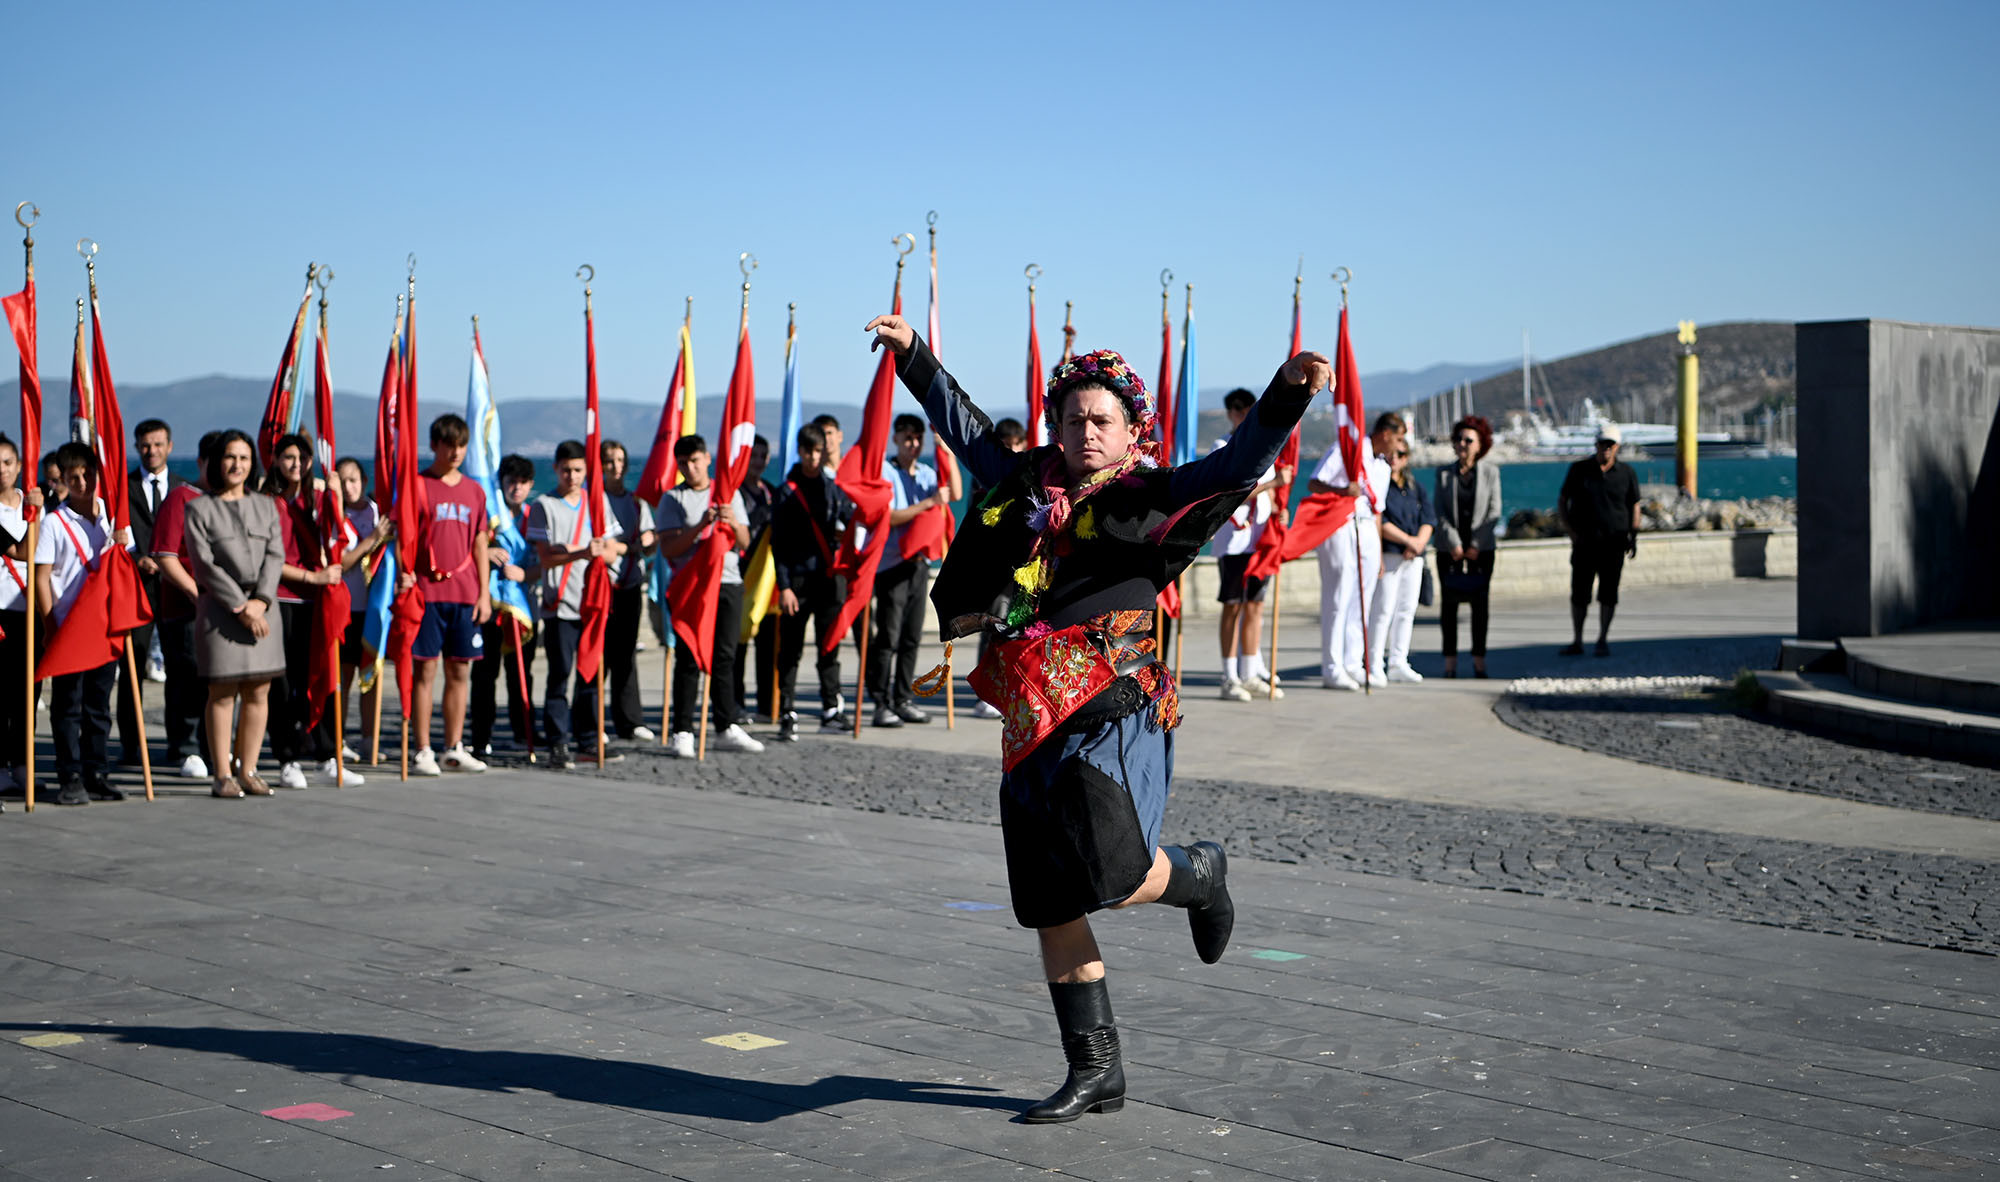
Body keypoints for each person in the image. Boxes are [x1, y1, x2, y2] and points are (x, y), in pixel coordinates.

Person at [868, 310, 1328, 1124]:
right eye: (1074, 418)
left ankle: (1198, 874)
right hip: (1028, 713)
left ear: (1131, 430)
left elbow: (1240, 462)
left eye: (1101, 420)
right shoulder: (1023, 483)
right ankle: (1095, 1071)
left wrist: (1286, 394)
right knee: (1049, 895)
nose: (1086, 431)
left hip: (1114, 704)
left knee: (1113, 874)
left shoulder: (1154, 496)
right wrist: (913, 356)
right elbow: (963, 426)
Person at [184, 430, 285, 798]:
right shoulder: (199, 509)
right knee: (222, 692)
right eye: (230, 457)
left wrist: (261, 601)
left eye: (244, 458)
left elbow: (275, 555)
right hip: (221, 611)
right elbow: (203, 564)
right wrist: (241, 607)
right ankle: (222, 774)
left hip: (264, 609)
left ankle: (249, 770)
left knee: (259, 690)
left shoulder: (266, 506)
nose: (236, 464)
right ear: (217, 461)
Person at [32, 443, 134, 806]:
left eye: (88, 475)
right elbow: (42, 577)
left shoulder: (111, 516)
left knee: (98, 705)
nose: (81, 483)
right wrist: (50, 625)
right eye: (72, 477)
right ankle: (70, 774)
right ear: (61, 478)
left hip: (104, 623)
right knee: (68, 705)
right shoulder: (54, 522)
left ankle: (97, 772)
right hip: (69, 625)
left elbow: (124, 568)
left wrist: (122, 541)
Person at [398, 414, 494, 775]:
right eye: (449, 445)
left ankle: (453, 746)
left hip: (465, 592)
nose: (456, 452)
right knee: (425, 670)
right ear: (434, 445)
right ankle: (422, 748)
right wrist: (404, 574)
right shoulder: (418, 485)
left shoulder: (474, 491)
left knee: (460, 670)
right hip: (426, 592)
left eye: (462, 445)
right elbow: (403, 538)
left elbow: (480, 544)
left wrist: (484, 594)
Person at [655, 435, 762, 757]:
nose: (690, 468)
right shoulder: (673, 499)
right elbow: (669, 548)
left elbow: (744, 541)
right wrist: (701, 526)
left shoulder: (727, 494)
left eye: (695, 461)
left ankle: (726, 725)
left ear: (707, 459)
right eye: (683, 463)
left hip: (727, 581)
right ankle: (683, 729)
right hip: (692, 585)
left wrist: (732, 521)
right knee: (689, 657)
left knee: (725, 656)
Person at [524, 439, 624, 769]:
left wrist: (585, 551)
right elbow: (545, 557)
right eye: (566, 470)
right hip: (560, 604)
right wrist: (579, 552)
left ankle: (588, 738)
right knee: (560, 674)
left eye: (578, 470)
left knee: (591, 674)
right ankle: (557, 740)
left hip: (592, 604)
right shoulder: (544, 505)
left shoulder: (597, 502)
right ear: (556, 469)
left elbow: (612, 550)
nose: (572, 476)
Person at [264, 433, 348, 788]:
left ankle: (328, 755)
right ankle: (287, 758)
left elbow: (340, 538)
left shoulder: (319, 498)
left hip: (318, 602)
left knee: (322, 675)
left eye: (302, 457)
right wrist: (311, 577)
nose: (296, 464)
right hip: (281, 599)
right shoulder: (268, 502)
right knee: (282, 684)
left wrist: (337, 496)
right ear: (276, 460)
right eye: (288, 457)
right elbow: (268, 559)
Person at [770, 424, 854, 740]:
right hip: (797, 582)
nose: (814, 458)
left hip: (828, 580)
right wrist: (784, 587)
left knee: (828, 647)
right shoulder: (786, 492)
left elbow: (851, 521)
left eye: (818, 451)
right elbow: (778, 544)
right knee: (790, 650)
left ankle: (830, 709)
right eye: (808, 451)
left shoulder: (832, 488)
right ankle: (787, 711)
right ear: (800, 451)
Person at [869, 413, 951, 728]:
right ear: (896, 439)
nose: (912, 444)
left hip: (919, 564)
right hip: (891, 564)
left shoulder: (927, 473)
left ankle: (903, 698)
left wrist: (944, 449)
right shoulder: (886, 471)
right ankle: (880, 701)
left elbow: (954, 493)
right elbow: (889, 517)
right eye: (907, 438)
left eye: (917, 439)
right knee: (888, 637)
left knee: (911, 637)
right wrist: (928, 503)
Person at [1211, 388, 1290, 701]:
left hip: (1260, 541)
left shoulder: (1263, 449)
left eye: (1249, 409)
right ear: (1231, 413)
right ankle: (1229, 675)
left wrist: (1280, 508)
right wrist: (1273, 483)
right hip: (1234, 541)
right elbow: (1231, 492)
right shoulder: (1222, 447)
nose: (1244, 415)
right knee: (1232, 606)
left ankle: (1249, 670)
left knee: (1255, 605)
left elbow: (1271, 494)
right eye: (1239, 409)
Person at [151, 430, 221, 777]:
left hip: (225, 609)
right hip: (185, 608)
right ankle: (186, 747)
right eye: (218, 460)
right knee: (187, 678)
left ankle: (215, 746)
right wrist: (198, 594)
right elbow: (165, 556)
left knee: (220, 679)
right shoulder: (181, 497)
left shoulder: (232, 501)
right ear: (201, 462)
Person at [1309, 416, 1393, 691]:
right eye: (1398, 438)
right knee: (1338, 596)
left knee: (1362, 599)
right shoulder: (1347, 451)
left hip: (1367, 528)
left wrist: (1379, 552)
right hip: (1340, 524)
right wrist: (1343, 490)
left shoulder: (1383, 467)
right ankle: (1332, 667)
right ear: (1385, 433)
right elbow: (1315, 482)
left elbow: (1377, 511)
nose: (1399, 445)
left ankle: (1353, 662)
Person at [117, 417, 183, 768]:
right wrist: (137, 559)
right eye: (145, 445)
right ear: (136, 447)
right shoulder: (122, 488)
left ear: (169, 446)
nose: (152, 451)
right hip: (136, 589)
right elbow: (115, 534)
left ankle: (180, 745)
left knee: (180, 668)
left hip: (174, 590)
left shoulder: (182, 488)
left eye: (158, 444)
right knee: (133, 668)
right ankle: (131, 746)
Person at [469, 453, 540, 758]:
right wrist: (485, 554)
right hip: (491, 605)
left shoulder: (534, 518)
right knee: (485, 674)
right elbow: (467, 548)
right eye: (512, 482)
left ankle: (523, 731)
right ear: (502, 484)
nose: (517, 488)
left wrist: (525, 574)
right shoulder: (490, 518)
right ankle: (480, 737)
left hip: (523, 608)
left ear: (530, 485)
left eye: (523, 482)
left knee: (521, 672)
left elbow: (545, 562)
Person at [1558, 421, 1641, 657]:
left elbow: (1634, 505)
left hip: (1614, 544)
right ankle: (1577, 640)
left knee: (1609, 594)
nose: (1605, 448)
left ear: (1617, 447)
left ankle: (1602, 638)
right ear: (1595, 445)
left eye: (1610, 445)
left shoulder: (1627, 473)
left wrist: (1634, 536)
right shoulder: (1579, 470)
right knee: (1579, 594)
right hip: (1584, 543)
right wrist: (1571, 531)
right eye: (1602, 444)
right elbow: (1563, 500)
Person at [332, 456, 393, 759]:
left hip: (375, 608)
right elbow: (341, 562)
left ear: (364, 481)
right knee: (343, 677)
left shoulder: (378, 512)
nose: (348, 487)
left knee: (372, 675)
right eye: (342, 481)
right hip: (346, 607)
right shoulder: (335, 515)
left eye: (353, 480)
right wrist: (371, 540)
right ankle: (339, 739)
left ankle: (370, 738)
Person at [969, 419, 1031, 720]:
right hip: (996, 565)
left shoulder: (1032, 473)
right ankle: (987, 691)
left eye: (1018, 443)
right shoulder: (988, 475)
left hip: (1026, 567)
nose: (1014, 449)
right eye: (1008, 444)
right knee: (993, 626)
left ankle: (1014, 686)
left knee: (1021, 628)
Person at [1367, 427, 1435, 683]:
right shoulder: (1380, 483)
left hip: (1413, 557)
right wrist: (1408, 540)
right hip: (1391, 553)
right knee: (1383, 609)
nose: (1395, 459)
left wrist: (1418, 543)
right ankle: (1374, 662)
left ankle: (1398, 661)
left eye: (1401, 454)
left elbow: (1428, 517)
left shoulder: (1415, 487)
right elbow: (1379, 519)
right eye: (1392, 454)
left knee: (1406, 609)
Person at [1435, 415, 1501, 678]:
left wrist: (1475, 544)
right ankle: (1450, 662)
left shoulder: (1491, 473)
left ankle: (1479, 660)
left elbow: (1494, 511)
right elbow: (1439, 512)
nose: (1462, 444)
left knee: (1480, 606)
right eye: (1459, 439)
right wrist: (1454, 543)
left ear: (1480, 444)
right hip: (1448, 550)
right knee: (1449, 607)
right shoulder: (1443, 474)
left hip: (1481, 550)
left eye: (1468, 440)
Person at [600, 440, 657, 742]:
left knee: (626, 653)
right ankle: (592, 720)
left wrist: (642, 543)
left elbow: (647, 544)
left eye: (620, 461)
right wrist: (627, 547)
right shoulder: (595, 501)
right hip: (602, 587)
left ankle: (630, 720)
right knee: (600, 654)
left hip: (630, 585)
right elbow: (603, 547)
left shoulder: (637, 504)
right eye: (610, 461)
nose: (616, 467)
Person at [0, 435, 42, 799]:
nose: (2, 470)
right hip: (1, 613)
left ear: (19, 466)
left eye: (8, 462)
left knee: (29, 692)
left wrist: (38, 509)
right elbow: (24, 550)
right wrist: (36, 515)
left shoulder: (33, 503)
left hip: (32, 611)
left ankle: (23, 764)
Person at [733, 434, 780, 722]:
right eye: (754, 456)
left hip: (767, 580)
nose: (759, 462)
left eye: (763, 456)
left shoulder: (772, 492)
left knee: (769, 644)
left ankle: (767, 704)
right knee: (738, 643)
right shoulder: (735, 494)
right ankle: (735, 704)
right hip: (742, 576)